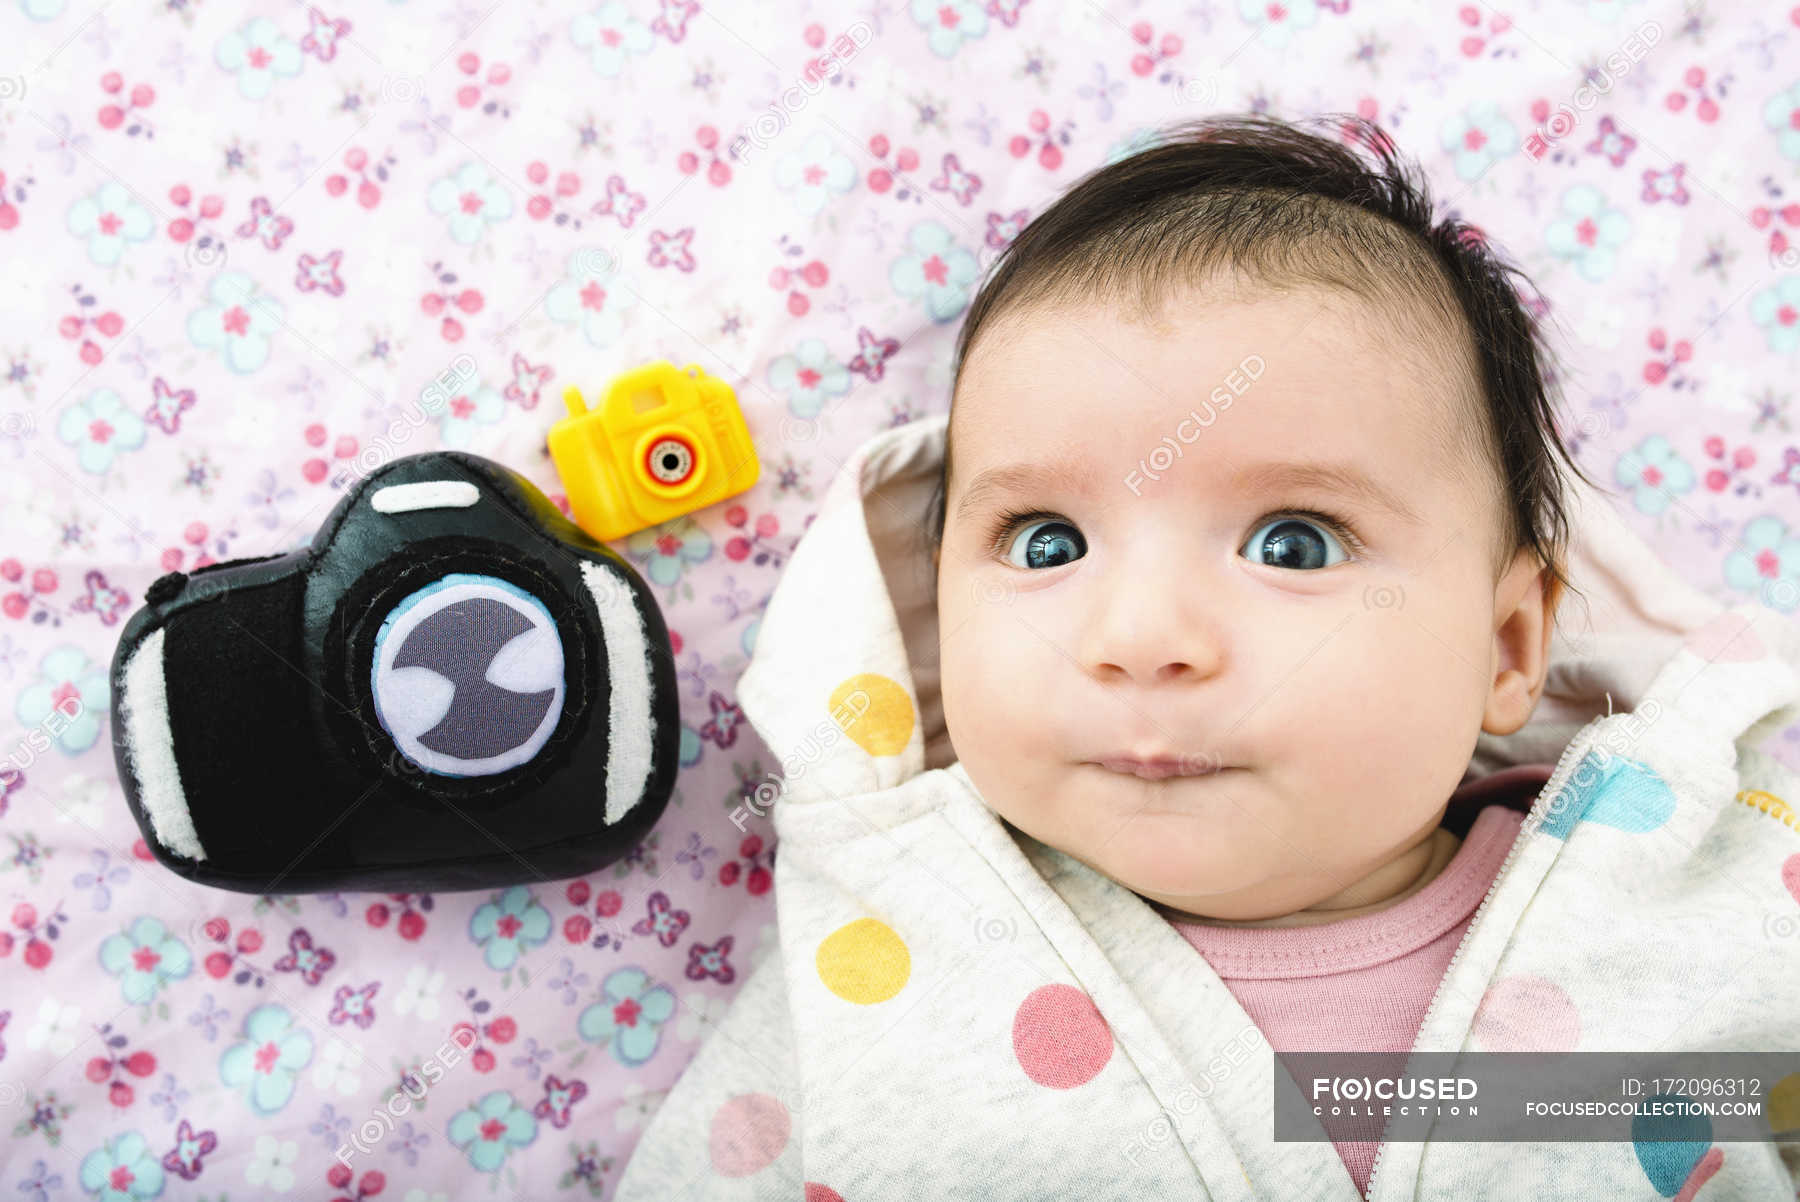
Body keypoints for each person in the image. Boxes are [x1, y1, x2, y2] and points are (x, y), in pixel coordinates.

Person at [614, 113, 1800, 1201]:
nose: (1141, 639)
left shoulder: (1687, 904)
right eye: (1046, 542)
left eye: (1292, 542)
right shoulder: (885, 963)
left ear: (1507, 645)